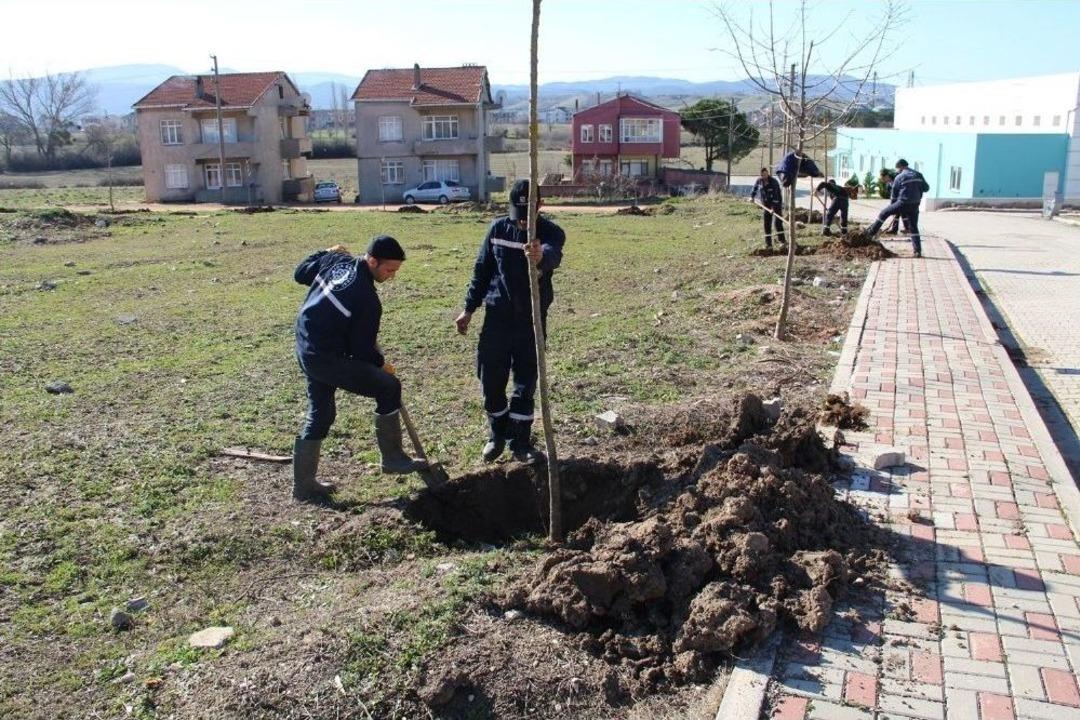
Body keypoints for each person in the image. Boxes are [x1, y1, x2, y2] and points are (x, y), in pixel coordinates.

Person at [291, 235, 426, 502]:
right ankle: (392, 457)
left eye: (396, 271)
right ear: (372, 260)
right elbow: (361, 350)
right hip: (325, 356)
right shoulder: (367, 299)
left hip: (307, 345)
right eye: (389, 270)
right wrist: (380, 365)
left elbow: (300, 273)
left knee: (321, 414)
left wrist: (325, 252)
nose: (392, 277)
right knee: (389, 387)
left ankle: (304, 487)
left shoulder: (336, 260)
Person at [455, 179, 566, 465]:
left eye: (526, 216)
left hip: (531, 320)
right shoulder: (497, 230)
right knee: (490, 377)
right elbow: (482, 271)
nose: (521, 223)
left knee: (525, 381)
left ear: (540, 206)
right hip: (497, 317)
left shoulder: (551, 232)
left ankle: (521, 441)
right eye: (517, 215)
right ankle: (497, 433)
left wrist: (540, 257)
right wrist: (468, 309)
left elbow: (553, 255)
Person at [865, 159, 929, 257]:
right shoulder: (918, 175)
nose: (898, 171)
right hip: (915, 204)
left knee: (884, 213)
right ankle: (917, 251)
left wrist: (893, 208)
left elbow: (894, 195)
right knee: (913, 227)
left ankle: (870, 234)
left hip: (903, 202)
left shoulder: (900, 176)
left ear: (900, 167)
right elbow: (926, 188)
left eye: (898, 169)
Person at [750, 167, 784, 249]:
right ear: (761, 175)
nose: (764, 176)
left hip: (776, 205)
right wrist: (752, 197)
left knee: (777, 223)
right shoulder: (759, 181)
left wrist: (773, 208)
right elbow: (755, 189)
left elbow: (776, 196)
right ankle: (769, 244)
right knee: (766, 224)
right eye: (763, 175)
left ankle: (782, 241)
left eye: (766, 174)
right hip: (766, 205)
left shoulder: (773, 182)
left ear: (768, 173)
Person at [878, 168, 908, 234]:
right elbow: (891, 192)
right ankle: (895, 229)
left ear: (887, 176)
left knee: (903, 213)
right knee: (896, 214)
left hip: (902, 198)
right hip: (897, 199)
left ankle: (906, 228)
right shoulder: (890, 182)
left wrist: (894, 202)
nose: (883, 181)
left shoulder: (896, 179)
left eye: (883, 179)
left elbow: (899, 190)